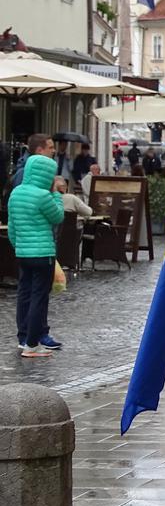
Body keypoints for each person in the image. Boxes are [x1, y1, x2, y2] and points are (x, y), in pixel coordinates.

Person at [7, 152, 64, 357]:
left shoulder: (16, 193)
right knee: (39, 298)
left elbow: (12, 227)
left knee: (24, 295)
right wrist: (57, 194)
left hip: (23, 253)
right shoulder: (43, 196)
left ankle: (23, 338)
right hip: (43, 254)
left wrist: (19, 246)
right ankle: (32, 345)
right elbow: (57, 217)